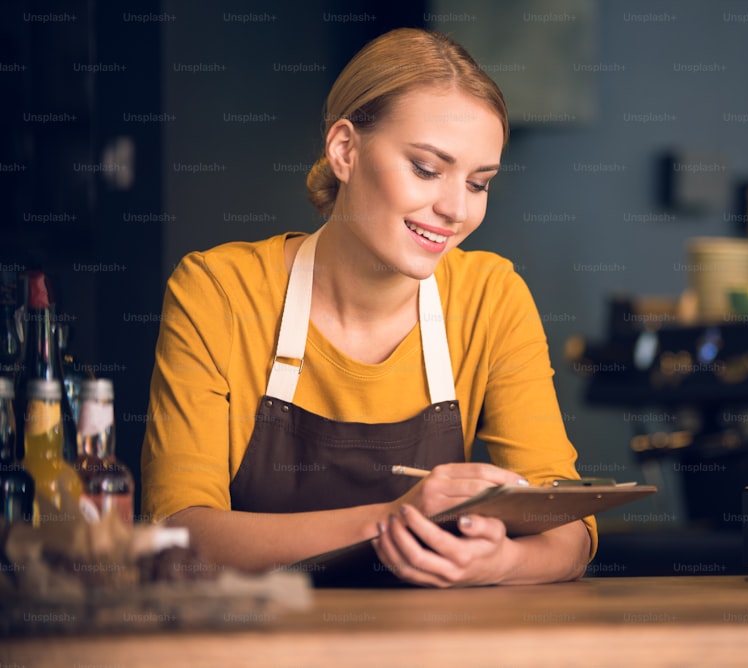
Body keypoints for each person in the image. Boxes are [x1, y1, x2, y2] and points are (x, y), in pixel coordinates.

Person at [140, 27, 596, 587]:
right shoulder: (218, 290)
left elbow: (569, 529)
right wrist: (393, 518)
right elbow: (179, 536)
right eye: (427, 169)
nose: (455, 209)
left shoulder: (491, 298)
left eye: (478, 183)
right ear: (345, 150)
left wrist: (501, 563)